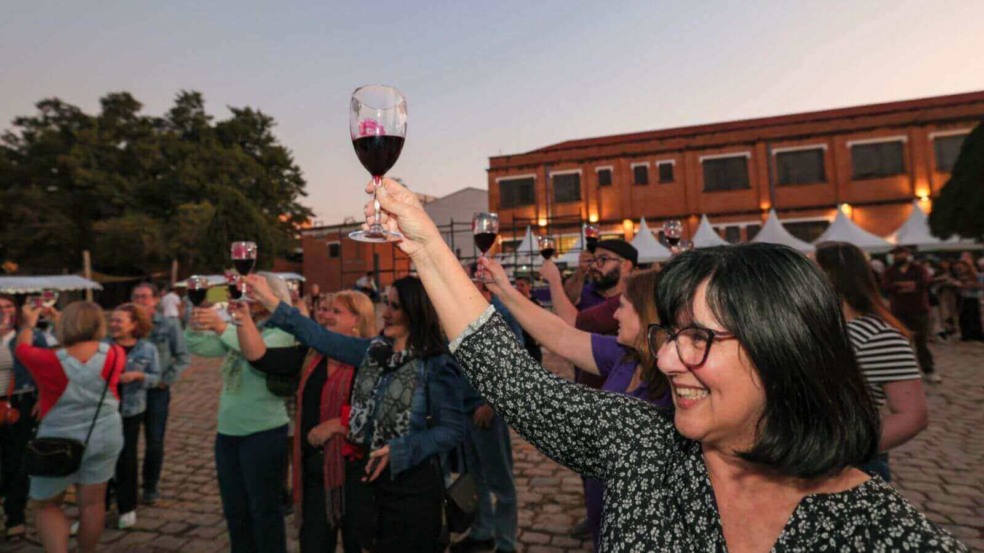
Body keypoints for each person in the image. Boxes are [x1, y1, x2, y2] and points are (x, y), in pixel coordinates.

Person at [362, 177, 966, 551]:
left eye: (698, 338)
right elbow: (513, 378)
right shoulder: (643, 445)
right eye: (669, 334)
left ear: (784, 355)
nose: (670, 358)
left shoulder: (874, 529)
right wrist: (424, 244)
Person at [246, 273, 465, 553]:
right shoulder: (375, 351)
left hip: (413, 491)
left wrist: (399, 449)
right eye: (386, 303)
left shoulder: (435, 364)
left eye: (395, 307)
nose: (385, 313)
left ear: (415, 311)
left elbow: (452, 430)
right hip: (371, 488)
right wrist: (270, 301)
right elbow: (319, 336)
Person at [487, 259, 671, 550]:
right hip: (603, 505)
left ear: (647, 314)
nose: (617, 313)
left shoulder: (673, 383)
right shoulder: (625, 354)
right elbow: (561, 335)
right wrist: (505, 290)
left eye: (623, 306)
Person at [233, 290, 376, 553]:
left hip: (362, 476)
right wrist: (242, 319)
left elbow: (384, 414)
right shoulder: (311, 356)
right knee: (314, 544)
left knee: (361, 544)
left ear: (358, 320)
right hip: (316, 474)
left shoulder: (372, 359)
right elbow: (260, 357)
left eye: (337, 312)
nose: (326, 316)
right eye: (326, 310)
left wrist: (338, 425)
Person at [185, 272, 295, 553]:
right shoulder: (243, 326)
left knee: (265, 511)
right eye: (244, 290)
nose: (245, 294)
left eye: (253, 291)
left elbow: (258, 352)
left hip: (264, 432)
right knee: (235, 511)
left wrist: (223, 327)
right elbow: (199, 346)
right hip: (228, 433)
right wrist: (198, 319)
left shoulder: (283, 330)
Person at [15, 301, 125, 553]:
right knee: (93, 504)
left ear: (65, 324)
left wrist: (29, 323)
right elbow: (88, 347)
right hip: (104, 434)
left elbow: (22, 348)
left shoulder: (47, 359)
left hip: (57, 439)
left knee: (46, 504)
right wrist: (62, 319)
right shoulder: (116, 353)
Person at [815, 242, 928, 481]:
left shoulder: (878, 335)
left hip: (850, 466)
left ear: (832, 278)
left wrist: (837, 449)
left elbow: (912, 416)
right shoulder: (818, 330)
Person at [130, 283, 190, 505]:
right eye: (136, 297)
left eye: (145, 297)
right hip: (129, 392)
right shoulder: (127, 324)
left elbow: (183, 356)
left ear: (156, 300)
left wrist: (166, 380)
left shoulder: (168, 324)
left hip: (156, 391)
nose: (141, 301)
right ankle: (123, 484)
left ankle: (150, 485)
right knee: (126, 442)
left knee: (154, 441)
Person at [105, 303, 161, 529]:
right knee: (101, 458)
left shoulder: (147, 349)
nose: (114, 324)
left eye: (120, 320)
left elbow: (156, 378)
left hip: (131, 410)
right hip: (104, 410)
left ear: (134, 324)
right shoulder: (103, 346)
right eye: (113, 320)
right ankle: (97, 507)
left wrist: (139, 375)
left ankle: (127, 508)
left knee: (126, 458)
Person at [0, 294, 49, 542]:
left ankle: (15, 517)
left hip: (21, 402)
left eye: (9, 306)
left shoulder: (31, 336)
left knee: (16, 460)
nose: (4, 311)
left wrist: (43, 397)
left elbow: (47, 367)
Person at [882, 246, 938, 382]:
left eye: (900, 254)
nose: (897, 257)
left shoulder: (919, 269)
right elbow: (886, 286)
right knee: (899, 342)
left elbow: (924, 283)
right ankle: (902, 372)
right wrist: (906, 285)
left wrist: (901, 285)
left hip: (919, 309)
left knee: (921, 342)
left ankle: (928, 370)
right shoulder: (889, 271)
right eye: (895, 254)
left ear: (907, 254)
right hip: (898, 310)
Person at [512, 276, 542, 363]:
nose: (519, 288)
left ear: (529, 286)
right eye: (517, 285)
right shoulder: (514, 303)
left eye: (522, 285)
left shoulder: (535, 303)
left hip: (532, 344)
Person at [952, 260, 984, 341]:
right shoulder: (959, 277)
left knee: (973, 316)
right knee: (963, 317)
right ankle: (966, 335)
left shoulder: (977, 275)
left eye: (962, 268)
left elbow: (981, 286)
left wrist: (972, 285)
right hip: (963, 297)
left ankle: (976, 334)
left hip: (972, 297)